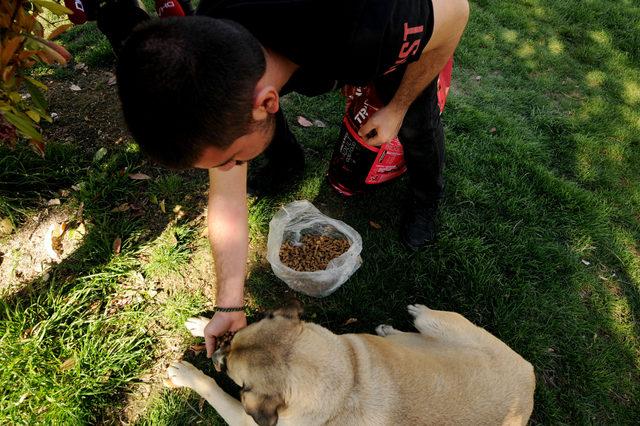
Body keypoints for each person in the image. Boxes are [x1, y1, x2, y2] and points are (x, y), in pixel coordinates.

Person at [78, 0, 469, 358]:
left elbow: (455, 15)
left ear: (268, 101)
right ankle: (287, 163)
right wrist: (229, 304)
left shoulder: (364, 27)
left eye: (229, 160)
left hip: (389, 25)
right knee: (247, 130)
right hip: (301, 46)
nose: (227, 170)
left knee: (417, 126)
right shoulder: (203, 47)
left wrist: (397, 108)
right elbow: (227, 197)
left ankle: (426, 198)